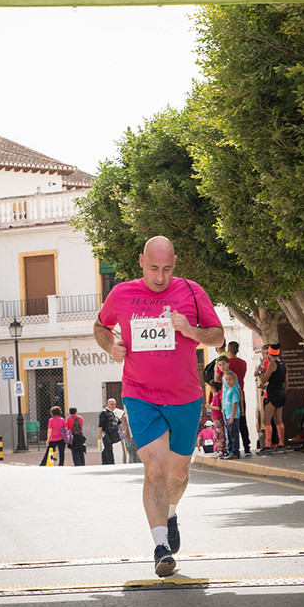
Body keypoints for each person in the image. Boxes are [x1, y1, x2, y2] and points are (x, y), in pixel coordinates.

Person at [93, 235, 224, 578]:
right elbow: (100, 325)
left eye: (167, 269)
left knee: (178, 474)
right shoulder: (121, 293)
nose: (160, 276)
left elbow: (218, 336)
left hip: (185, 397)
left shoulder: (192, 292)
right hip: (140, 394)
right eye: (153, 268)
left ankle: (171, 512)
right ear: (141, 261)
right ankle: (160, 547)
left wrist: (191, 330)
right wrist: (111, 346)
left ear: (175, 263)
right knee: (155, 470)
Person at [256, 344, 288, 455]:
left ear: (271, 353)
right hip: (281, 393)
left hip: (273, 394)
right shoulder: (283, 364)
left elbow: (264, 379)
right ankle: (281, 444)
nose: (267, 355)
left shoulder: (272, 365)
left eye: (268, 353)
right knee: (279, 420)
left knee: (266, 420)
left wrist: (260, 373)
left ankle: (268, 445)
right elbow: (286, 382)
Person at [226, 341, 252, 456]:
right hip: (241, 394)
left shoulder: (226, 364)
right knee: (242, 422)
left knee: (230, 423)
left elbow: (218, 378)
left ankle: (232, 448)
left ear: (228, 350)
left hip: (228, 397)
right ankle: (247, 446)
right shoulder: (243, 363)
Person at [220, 369, 241, 459]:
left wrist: (232, 416)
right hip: (228, 415)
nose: (228, 381)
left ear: (234, 380)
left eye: (230, 379)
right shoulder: (228, 390)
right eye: (226, 379)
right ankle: (231, 450)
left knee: (233, 434)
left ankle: (235, 451)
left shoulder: (234, 390)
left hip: (233, 416)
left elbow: (235, 403)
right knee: (229, 433)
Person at [98, 398, 122, 464]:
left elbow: (119, 423)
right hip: (105, 433)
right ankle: (110, 462)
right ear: (108, 404)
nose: (113, 406)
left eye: (114, 404)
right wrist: (99, 434)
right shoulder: (104, 413)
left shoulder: (114, 413)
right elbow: (100, 425)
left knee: (107, 448)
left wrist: (123, 432)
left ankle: (105, 462)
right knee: (108, 448)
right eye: (111, 404)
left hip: (112, 434)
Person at [206, 380, 226, 457]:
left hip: (218, 418)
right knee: (217, 434)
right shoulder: (215, 396)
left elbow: (218, 407)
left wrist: (209, 406)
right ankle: (218, 448)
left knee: (220, 433)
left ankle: (221, 448)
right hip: (215, 418)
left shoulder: (217, 396)